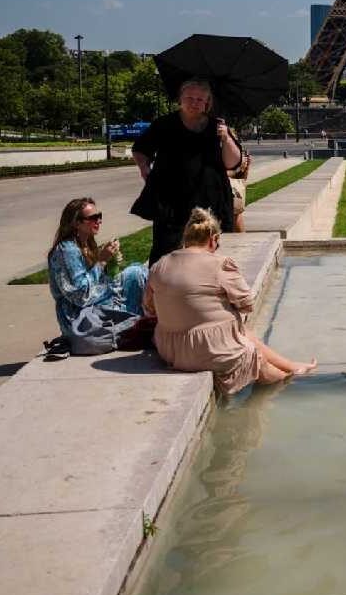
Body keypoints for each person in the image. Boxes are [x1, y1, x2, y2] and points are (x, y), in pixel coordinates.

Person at [143, 208, 316, 395]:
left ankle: (291, 366)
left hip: (170, 348)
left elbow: (149, 308)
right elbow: (247, 304)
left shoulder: (159, 265)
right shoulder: (220, 265)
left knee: (240, 332)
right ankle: (288, 382)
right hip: (207, 349)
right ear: (213, 239)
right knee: (257, 360)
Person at [131, 79, 244, 265]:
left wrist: (226, 138)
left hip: (211, 200)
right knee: (166, 253)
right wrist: (144, 168)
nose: (194, 103)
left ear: (207, 102)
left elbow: (233, 162)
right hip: (172, 201)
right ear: (180, 99)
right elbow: (140, 149)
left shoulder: (218, 127)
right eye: (189, 98)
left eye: (200, 99)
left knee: (212, 252)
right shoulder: (164, 124)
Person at [47, 197, 147, 338]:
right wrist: (102, 261)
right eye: (93, 217)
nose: (99, 221)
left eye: (99, 216)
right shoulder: (67, 250)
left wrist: (111, 264)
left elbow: (97, 282)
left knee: (137, 271)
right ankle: (139, 325)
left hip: (93, 305)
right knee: (136, 273)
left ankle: (139, 324)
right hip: (78, 318)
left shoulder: (86, 243)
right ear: (76, 223)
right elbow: (80, 295)